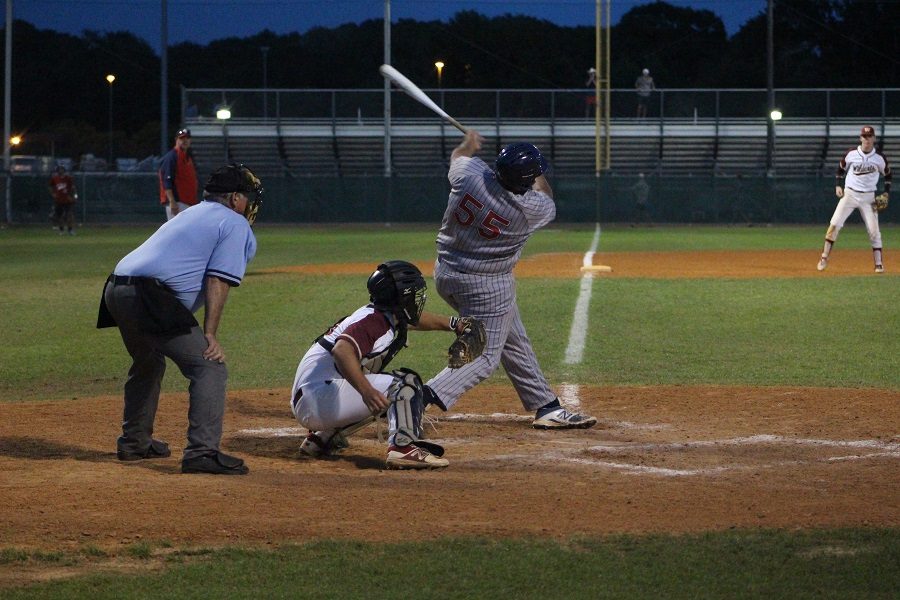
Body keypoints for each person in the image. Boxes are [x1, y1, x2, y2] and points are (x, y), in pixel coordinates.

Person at [424, 130, 598, 429]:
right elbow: (544, 191)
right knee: (485, 355)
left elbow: (458, 158)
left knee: (513, 338)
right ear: (525, 180)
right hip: (486, 285)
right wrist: (534, 172)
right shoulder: (532, 209)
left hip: (447, 273)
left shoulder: (469, 174)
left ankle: (546, 406)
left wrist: (468, 144)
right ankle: (417, 399)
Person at [97, 163, 264, 475]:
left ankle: (134, 442)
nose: (250, 203)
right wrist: (210, 335)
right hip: (148, 297)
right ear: (234, 199)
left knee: (149, 362)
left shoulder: (192, 213)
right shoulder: (233, 223)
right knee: (209, 367)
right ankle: (202, 453)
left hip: (115, 289)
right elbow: (218, 280)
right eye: (247, 196)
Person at [292, 261, 469, 470]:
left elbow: (413, 321)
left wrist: (454, 323)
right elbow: (342, 350)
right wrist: (366, 391)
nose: (416, 298)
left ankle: (321, 437)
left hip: (314, 397)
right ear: (401, 297)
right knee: (404, 384)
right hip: (319, 399)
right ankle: (403, 448)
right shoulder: (375, 322)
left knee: (369, 375)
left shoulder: (378, 314)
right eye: (413, 293)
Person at [817, 125, 892, 273]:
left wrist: (886, 192)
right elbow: (840, 170)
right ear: (860, 138)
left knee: (874, 231)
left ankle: (878, 264)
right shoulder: (851, 153)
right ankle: (824, 257)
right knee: (834, 224)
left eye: (870, 136)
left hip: (869, 197)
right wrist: (838, 185)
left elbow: (888, 175)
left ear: (874, 138)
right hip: (849, 194)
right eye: (864, 136)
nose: (867, 139)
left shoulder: (879, 158)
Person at [158, 128, 199, 220]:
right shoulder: (172, 157)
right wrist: (172, 201)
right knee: (178, 232)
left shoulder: (188, 157)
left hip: (187, 201)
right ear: (176, 140)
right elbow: (167, 180)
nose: (184, 141)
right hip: (177, 202)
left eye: (187, 138)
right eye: (181, 138)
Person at [48, 164, 77, 235]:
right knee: (59, 216)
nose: (60, 171)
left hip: (67, 200)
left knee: (69, 215)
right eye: (59, 169)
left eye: (62, 169)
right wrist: (53, 194)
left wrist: (74, 197)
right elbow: (50, 186)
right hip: (58, 200)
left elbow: (73, 188)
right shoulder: (55, 178)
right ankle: (61, 230)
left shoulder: (68, 178)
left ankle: (70, 230)